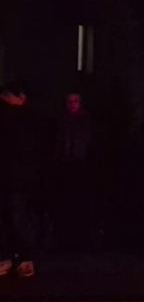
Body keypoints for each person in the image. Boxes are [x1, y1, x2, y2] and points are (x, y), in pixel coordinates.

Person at [0, 82, 42, 278]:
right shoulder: (25, 119)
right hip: (16, 175)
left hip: (16, 176)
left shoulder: (22, 120)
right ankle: (16, 257)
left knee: (15, 217)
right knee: (14, 217)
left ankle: (16, 257)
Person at [54, 90, 96, 249]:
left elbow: (87, 144)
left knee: (77, 202)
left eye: (75, 101)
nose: (72, 105)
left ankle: (76, 239)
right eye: (69, 101)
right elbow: (59, 142)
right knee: (65, 203)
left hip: (80, 166)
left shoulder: (86, 121)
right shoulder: (62, 121)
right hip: (65, 165)